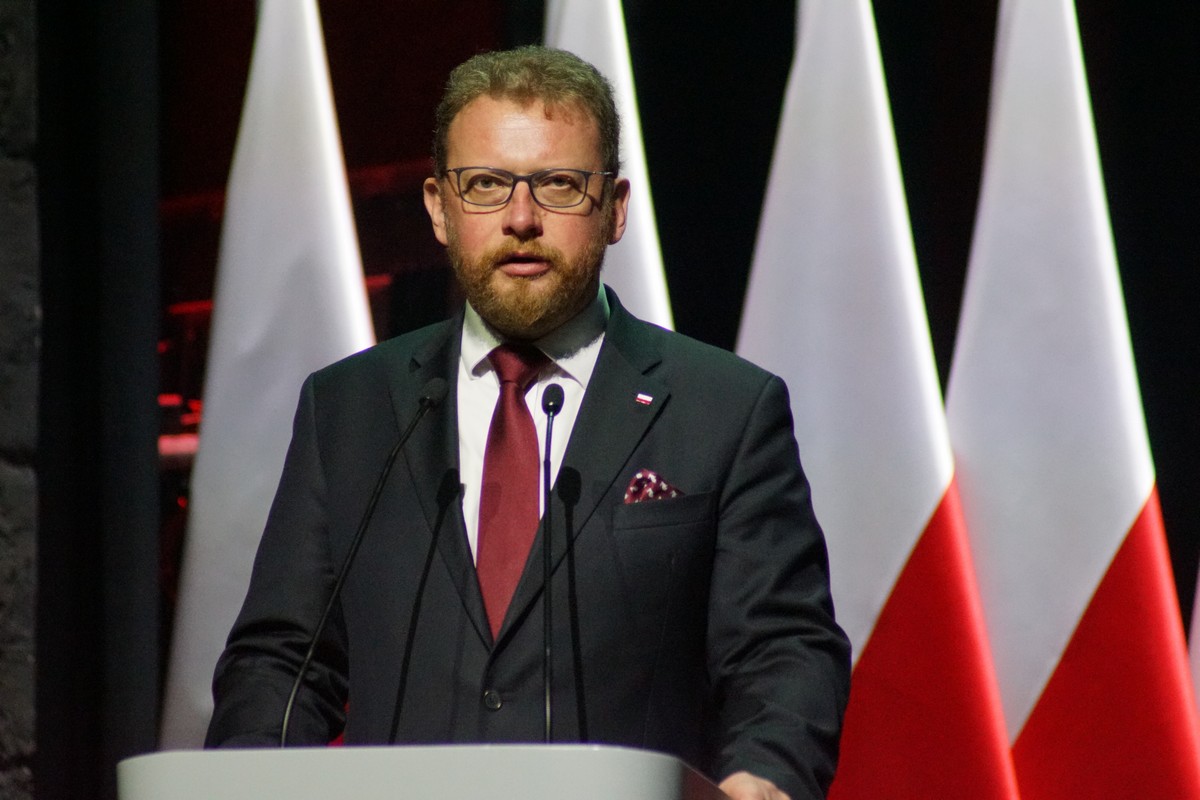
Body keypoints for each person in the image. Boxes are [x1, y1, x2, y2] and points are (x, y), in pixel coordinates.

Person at [206, 46, 850, 800]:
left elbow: (782, 650)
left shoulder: (725, 410)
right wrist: (253, 772)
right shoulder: (349, 409)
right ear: (439, 208)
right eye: (485, 184)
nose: (520, 219)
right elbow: (282, 662)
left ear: (614, 208)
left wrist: (765, 773)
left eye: (558, 185)